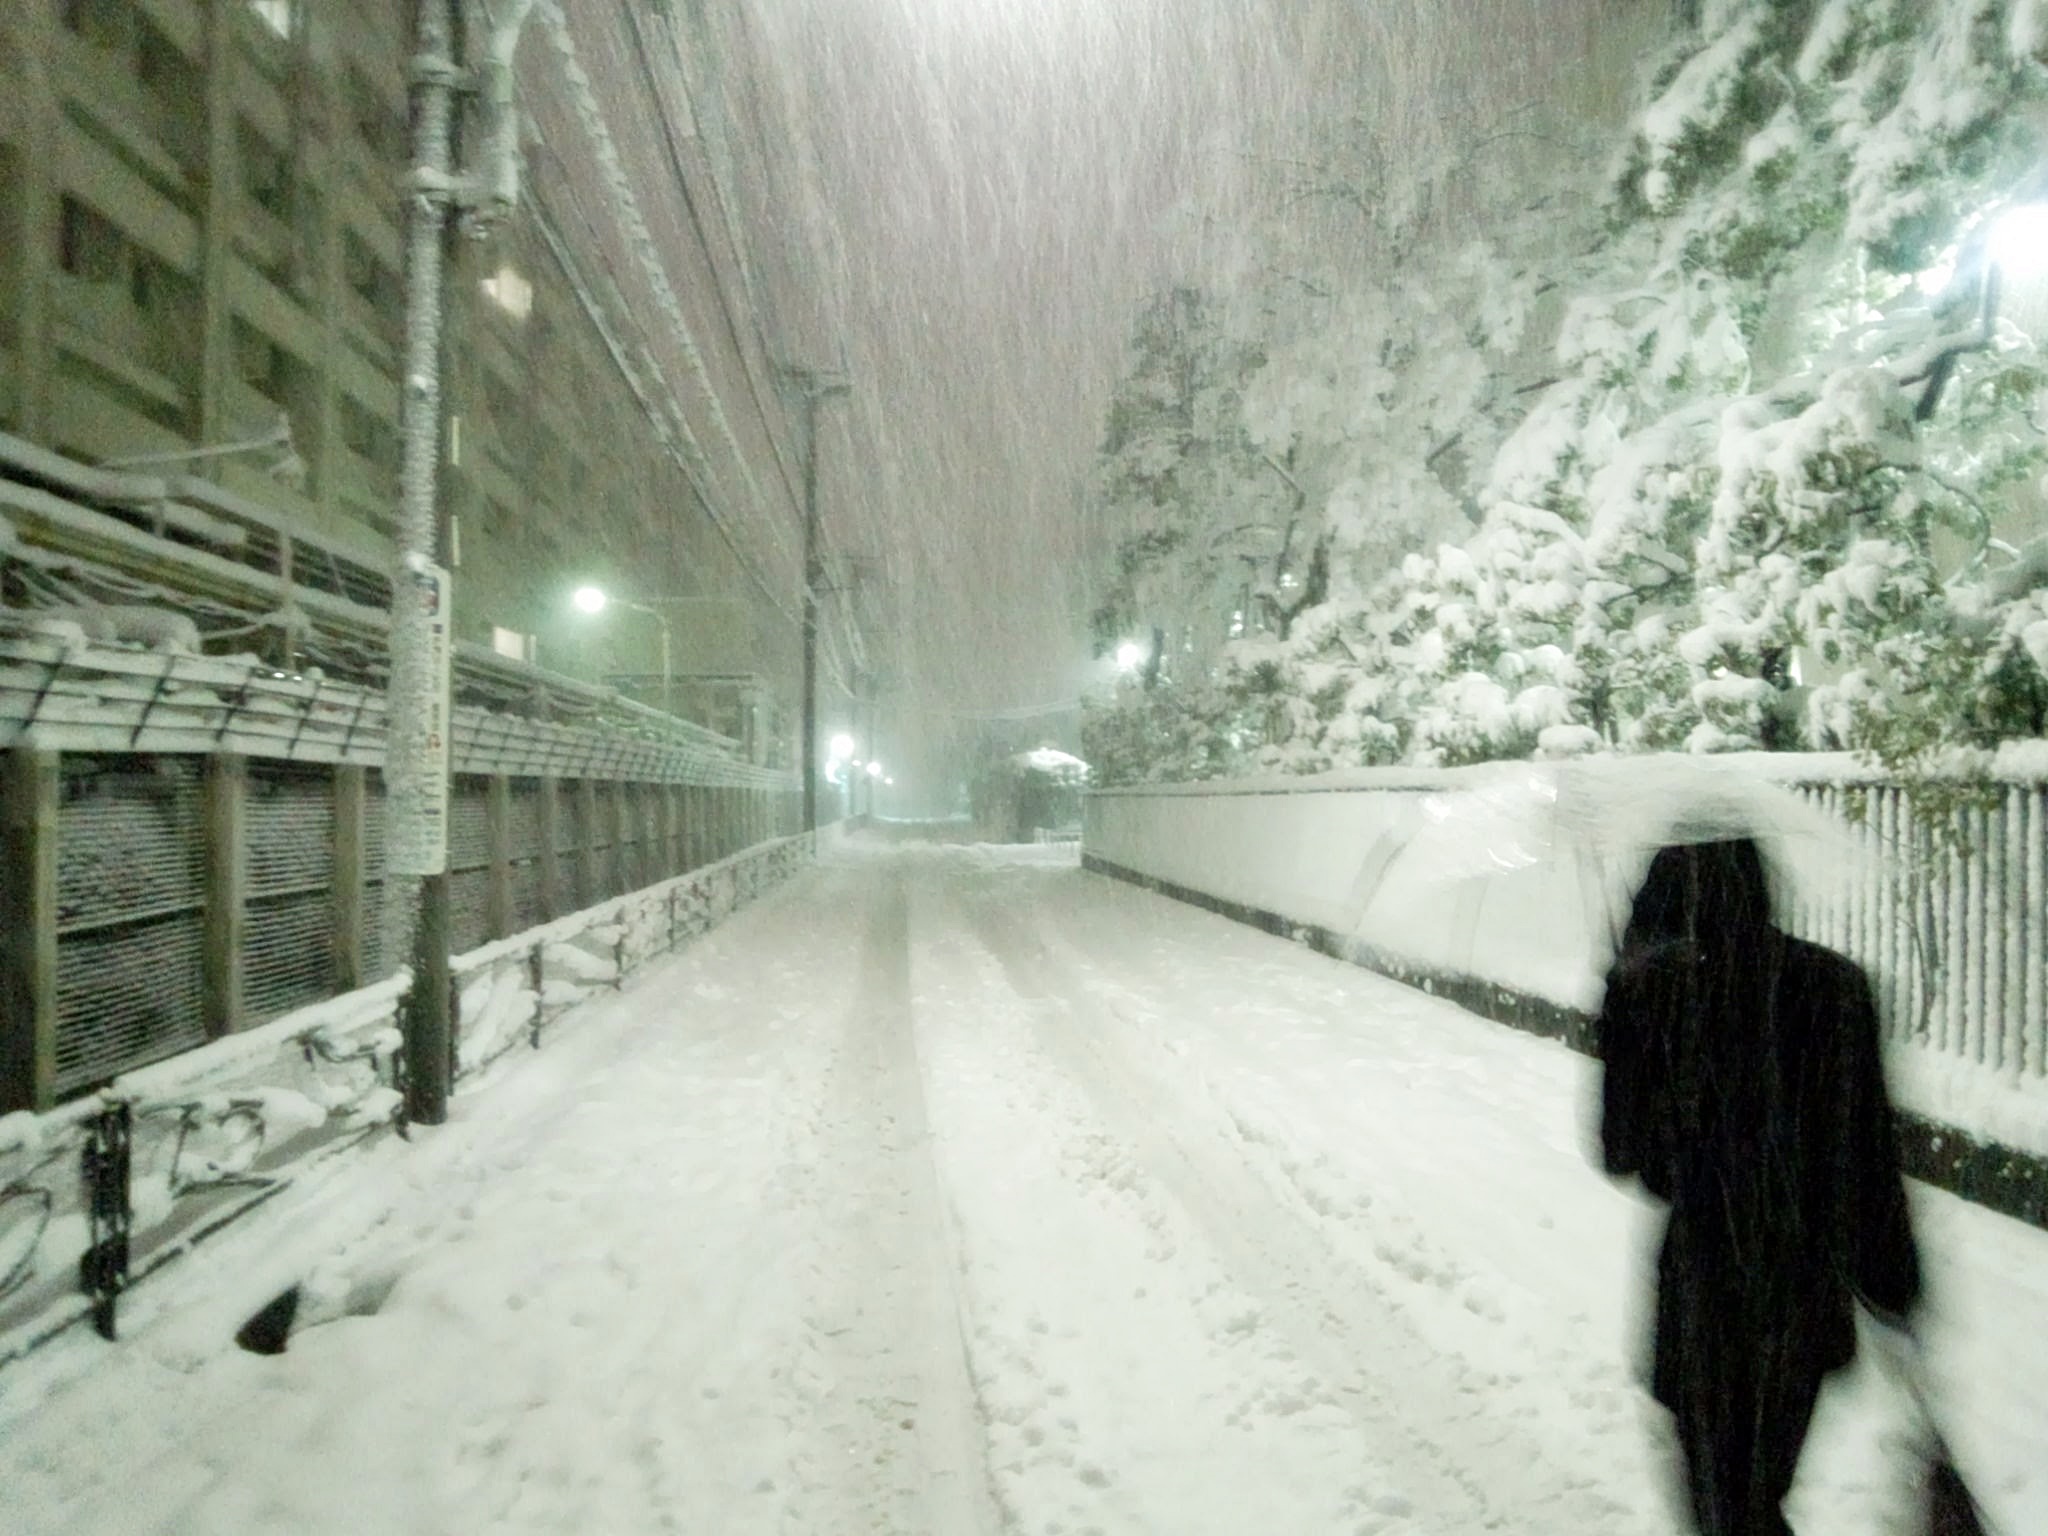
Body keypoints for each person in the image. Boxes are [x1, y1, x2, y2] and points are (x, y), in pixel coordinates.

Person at [1596, 838, 1922, 1536]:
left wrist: (1623, 1008)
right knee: (1755, 1498)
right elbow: (1866, 1151)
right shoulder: (1834, 987)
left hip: (1704, 1296)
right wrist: (1892, 1282)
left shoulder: (1652, 996)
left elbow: (1623, 1154)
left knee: (1726, 1507)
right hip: (1804, 1296)